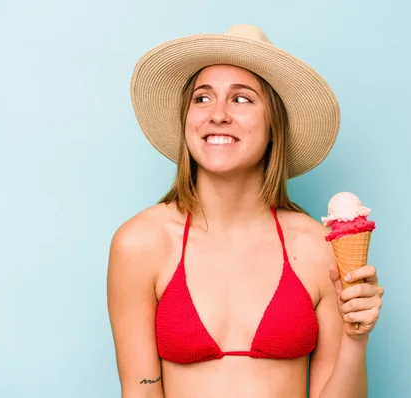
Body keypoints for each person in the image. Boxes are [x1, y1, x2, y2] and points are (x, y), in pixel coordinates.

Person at [107, 24, 384, 398]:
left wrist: (356, 338)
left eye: (241, 99)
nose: (218, 114)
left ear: (274, 125)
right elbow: (139, 391)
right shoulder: (140, 244)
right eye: (202, 99)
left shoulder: (318, 246)